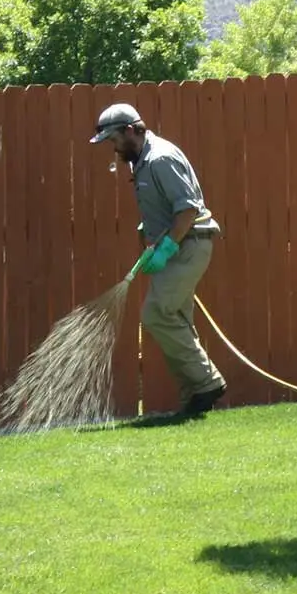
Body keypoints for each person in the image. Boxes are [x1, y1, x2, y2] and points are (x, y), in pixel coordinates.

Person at [90, 103, 228, 416]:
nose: (113, 148)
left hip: (190, 244)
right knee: (176, 317)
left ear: (130, 131)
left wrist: (166, 248)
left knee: (156, 314)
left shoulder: (161, 158)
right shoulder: (140, 161)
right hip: (179, 245)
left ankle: (207, 384)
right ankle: (195, 397)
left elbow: (188, 209)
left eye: (114, 140)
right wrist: (150, 231)